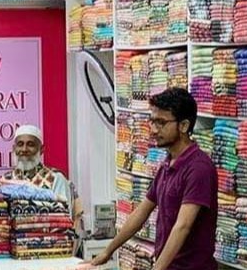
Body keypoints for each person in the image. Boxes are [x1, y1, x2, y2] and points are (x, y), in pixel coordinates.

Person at [80, 88, 215, 270]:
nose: (153, 129)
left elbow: (183, 226)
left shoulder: (199, 168)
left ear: (183, 126)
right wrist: (107, 251)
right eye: (152, 121)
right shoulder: (168, 164)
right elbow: (141, 212)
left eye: (161, 123)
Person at [0, 125, 83, 229]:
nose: (24, 149)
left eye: (30, 144)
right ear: (14, 149)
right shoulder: (5, 181)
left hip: (51, 238)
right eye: (20, 144)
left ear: (42, 149)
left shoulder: (56, 178)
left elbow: (64, 219)